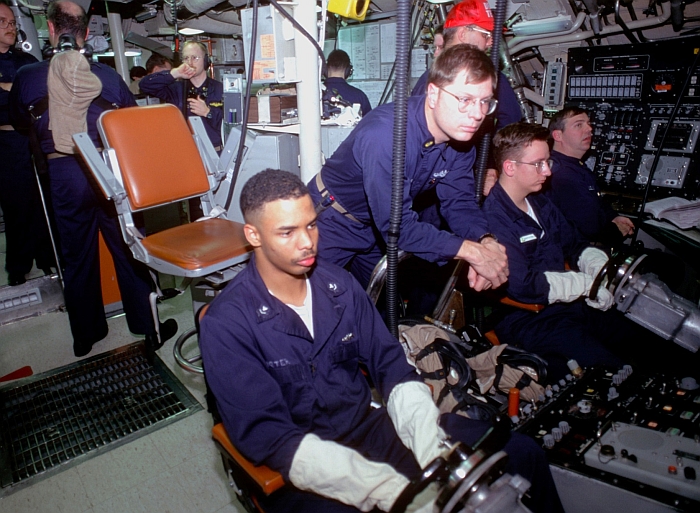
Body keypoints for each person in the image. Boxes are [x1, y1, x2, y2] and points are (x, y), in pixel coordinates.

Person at [200, 168, 563, 513]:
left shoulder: (339, 286)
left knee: (520, 453)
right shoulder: (227, 323)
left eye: (311, 225)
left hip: (366, 429)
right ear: (254, 236)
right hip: (296, 463)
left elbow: (391, 365)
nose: (307, 242)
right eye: (287, 232)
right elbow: (269, 436)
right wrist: (385, 489)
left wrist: (429, 444)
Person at [9, 0, 176, 357]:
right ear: (86, 33)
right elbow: (130, 122)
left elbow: (21, 122)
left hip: (63, 172)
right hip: (108, 169)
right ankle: (148, 328)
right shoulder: (108, 76)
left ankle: (85, 336)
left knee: (76, 255)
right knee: (129, 247)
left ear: (51, 29)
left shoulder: (27, 76)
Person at [483, 122, 697, 381]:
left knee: (655, 340)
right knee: (615, 375)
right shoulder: (491, 219)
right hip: (530, 318)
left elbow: (574, 243)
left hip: (570, 305)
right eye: (538, 164)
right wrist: (584, 285)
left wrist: (595, 266)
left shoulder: (538, 201)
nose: (547, 171)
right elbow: (522, 285)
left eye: (548, 162)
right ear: (510, 167)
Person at [309, 44, 508, 291]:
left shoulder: (462, 139)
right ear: (433, 94)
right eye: (465, 100)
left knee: (374, 305)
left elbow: (459, 202)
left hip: (375, 229)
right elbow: (398, 226)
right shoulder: (386, 134)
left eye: (484, 102)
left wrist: (484, 240)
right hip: (331, 221)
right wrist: (472, 253)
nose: (477, 114)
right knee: (319, 303)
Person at [0, 0, 55, 286]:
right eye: (3, 22)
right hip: (5, 144)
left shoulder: (27, 61)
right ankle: (18, 267)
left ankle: (49, 260)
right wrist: (16, 92)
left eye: (12, 22)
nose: (10, 27)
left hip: (34, 140)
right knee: (16, 205)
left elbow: (42, 94)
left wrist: (7, 89)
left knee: (43, 202)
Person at [411, 0, 522, 129]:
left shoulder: (428, 78)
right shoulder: (428, 80)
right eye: (486, 35)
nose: (490, 43)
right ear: (463, 34)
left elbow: (511, 119)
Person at [546, 107, 635, 249]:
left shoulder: (574, 166)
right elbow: (590, 228)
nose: (589, 129)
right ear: (558, 135)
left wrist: (614, 216)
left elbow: (596, 201)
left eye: (588, 124)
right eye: (578, 125)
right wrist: (616, 230)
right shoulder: (563, 175)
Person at [139, 41, 223, 150]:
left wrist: (208, 113)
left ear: (206, 60)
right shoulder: (175, 89)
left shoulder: (221, 89)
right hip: (185, 151)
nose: (190, 63)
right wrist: (175, 73)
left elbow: (232, 126)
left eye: (195, 58)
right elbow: (144, 85)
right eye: (186, 58)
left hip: (215, 152)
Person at [324, 49, 372, 116]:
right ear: (349, 71)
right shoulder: (360, 96)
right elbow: (370, 121)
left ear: (325, 69)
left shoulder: (315, 94)